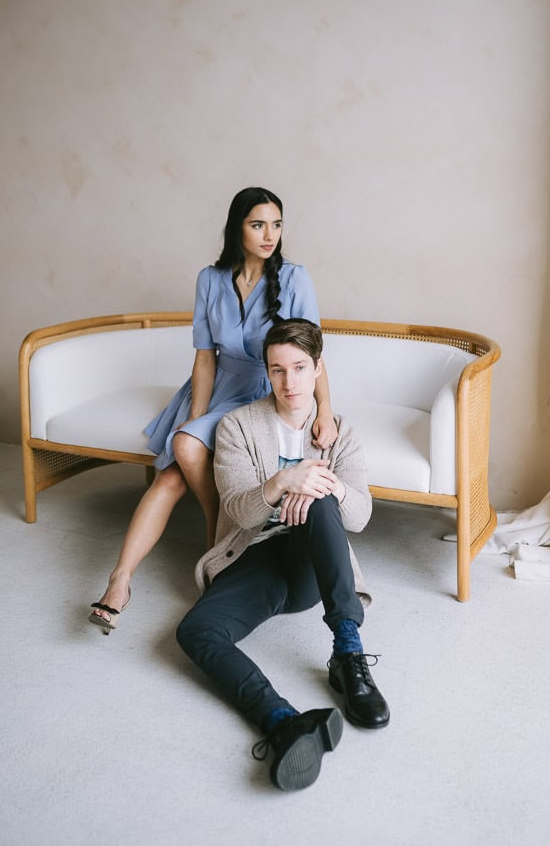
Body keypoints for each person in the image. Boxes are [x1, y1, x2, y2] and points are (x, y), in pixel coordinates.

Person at [89, 187, 338, 632]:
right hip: (218, 386)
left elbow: (312, 353)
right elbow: (205, 357)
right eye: (258, 224)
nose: (269, 235)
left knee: (181, 458)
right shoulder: (210, 278)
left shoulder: (295, 278)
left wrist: (324, 410)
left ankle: (218, 542)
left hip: (267, 389)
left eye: (276, 225)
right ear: (236, 227)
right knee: (177, 461)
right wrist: (194, 420)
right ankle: (121, 579)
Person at [176, 318, 389, 792]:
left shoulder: (343, 433)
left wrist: (319, 486)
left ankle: (348, 655)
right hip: (255, 556)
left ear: (317, 369)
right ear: (267, 373)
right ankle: (282, 721)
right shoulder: (237, 426)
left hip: (312, 564)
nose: (289, 382)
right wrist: (280, 484)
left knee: (322, 501)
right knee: (195, 631)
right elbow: (237, 509)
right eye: (277, 370)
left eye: (298, 367)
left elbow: (360, 517)